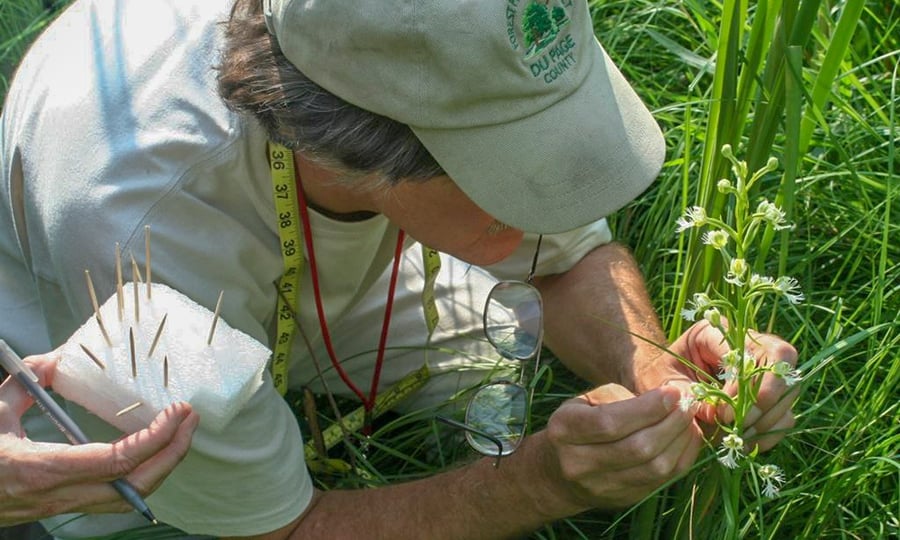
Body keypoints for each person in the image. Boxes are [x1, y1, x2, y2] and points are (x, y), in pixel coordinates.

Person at [0, 0, 798, 538]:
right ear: (354, 150)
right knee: (155, 512)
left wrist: (656, 368)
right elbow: (282, 529)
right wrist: (539, 485)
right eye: (513, 171)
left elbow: (572, 252)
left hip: (308, 257)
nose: (557, 201)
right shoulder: (143, 238)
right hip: (109, 350)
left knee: (496, 359)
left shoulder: (422, 41)